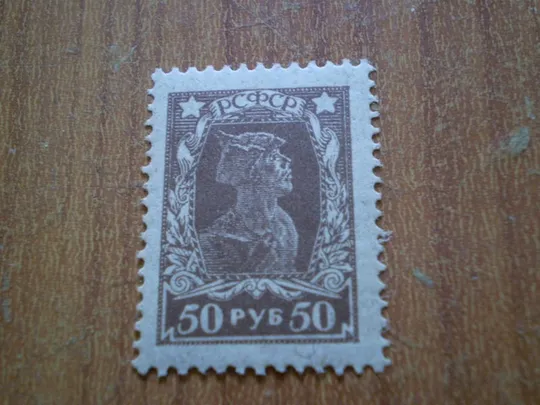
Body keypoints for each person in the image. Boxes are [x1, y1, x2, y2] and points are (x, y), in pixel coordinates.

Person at [199, 131, 298, 274]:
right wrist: (254, 263)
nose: (286, 161)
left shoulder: (284, 224)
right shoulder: (214, 240)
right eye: (272, 156)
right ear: (249, 171)